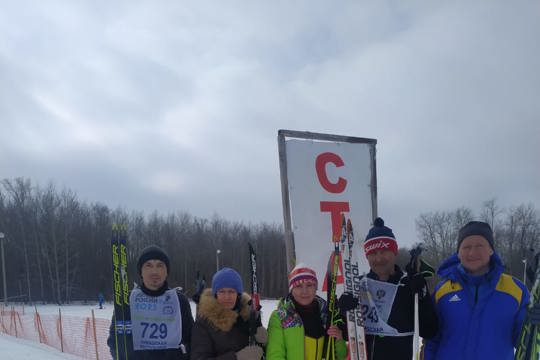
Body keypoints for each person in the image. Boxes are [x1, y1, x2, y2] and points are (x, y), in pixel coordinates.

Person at [424, 221, 530, 360]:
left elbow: (524, 343)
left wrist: (534, 326)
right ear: (458, 253)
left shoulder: (515, 290)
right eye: (466, 247)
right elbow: (432, 340)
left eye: (480, 246)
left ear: (491, 250)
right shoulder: (442, 292)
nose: (472, 252)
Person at [339, 217, 438, 360]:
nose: (379, 259)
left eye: (384, 251)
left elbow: (430, 330)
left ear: (394, 252)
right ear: (367, 256)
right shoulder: (358, 285)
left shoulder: (409, 285)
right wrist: (343, 311)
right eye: (373, 253)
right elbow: (343, 331)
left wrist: (422, 295)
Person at [107, 245, 194, 360]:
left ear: (166, 272)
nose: (154, 271)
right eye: (148, 265)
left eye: (160, 265)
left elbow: (191, 339)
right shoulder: (127, 301)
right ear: (141, 272)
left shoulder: (179, 300)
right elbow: (114, 340)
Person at [266, 264, 348, 360]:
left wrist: (339, 339)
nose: (304, 291)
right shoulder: (280, 317)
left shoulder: (327, 314)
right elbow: (275, 356)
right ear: (291, 290)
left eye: (309, 285)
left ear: (316, 288)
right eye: (298, 286)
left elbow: (341, 356)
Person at [190, 267, 266, 360]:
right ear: (215, 294)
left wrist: (263, 342)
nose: (227, 297)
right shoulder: (204, 323)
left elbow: (258, 352)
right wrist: (237, 358)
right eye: (222, 291)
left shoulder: (248, 317)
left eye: (231, 291)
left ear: (238, 294)